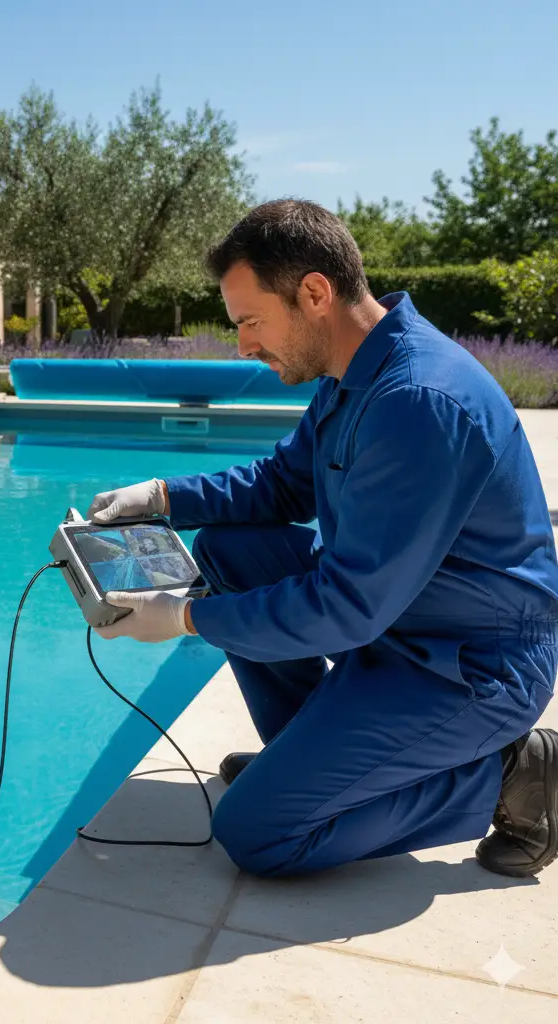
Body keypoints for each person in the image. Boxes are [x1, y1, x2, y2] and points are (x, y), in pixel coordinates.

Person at [87, 199, 558, 879]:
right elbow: (281, 486)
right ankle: (306, 762)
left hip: (467, 666)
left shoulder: (418, 400)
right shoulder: (355, 373)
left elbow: (346, 605)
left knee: (256, 834)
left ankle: (510, 770)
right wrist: (163, 496)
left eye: (249, 321)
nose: (243, 345)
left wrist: (185, 617)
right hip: (404, 622)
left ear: (314, 293)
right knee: (231, 550)